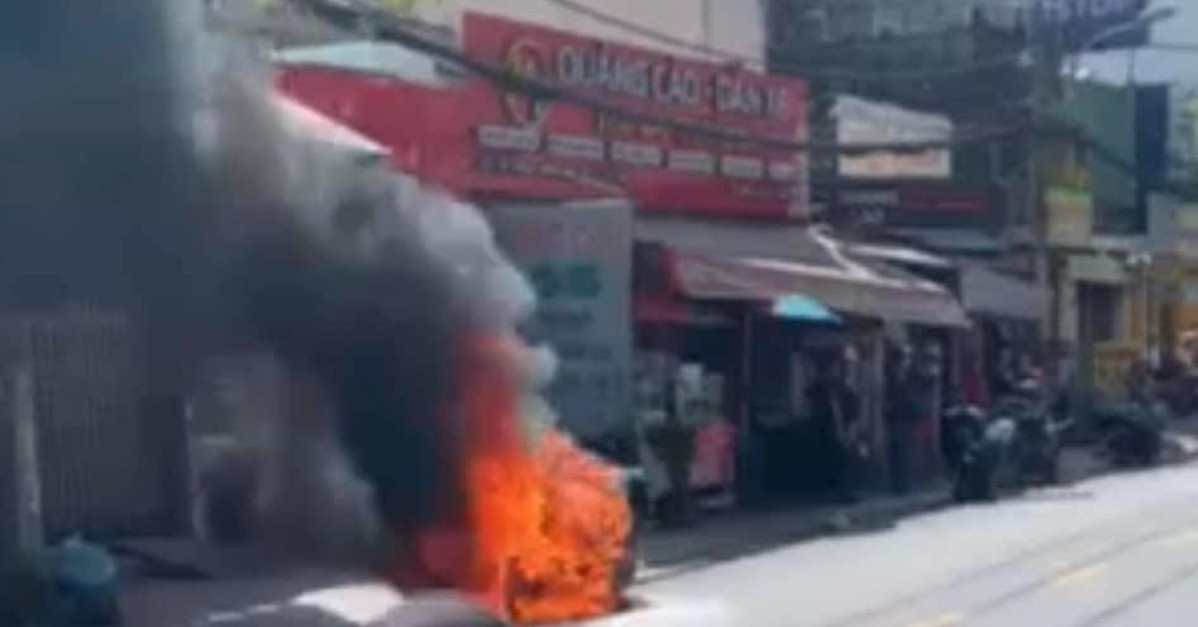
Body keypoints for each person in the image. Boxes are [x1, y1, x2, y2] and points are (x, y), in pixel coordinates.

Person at [807, 352, 862, 503]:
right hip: (830, 429)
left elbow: (851, 411)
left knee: (845, 461)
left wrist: (850, 430)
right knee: (836, 461)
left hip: (843, 427)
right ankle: (838, 491)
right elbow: (812, 396)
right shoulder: (826, 387)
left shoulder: (845, 388)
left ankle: (845, 492)